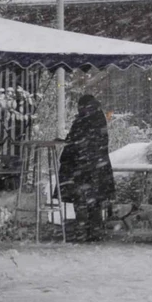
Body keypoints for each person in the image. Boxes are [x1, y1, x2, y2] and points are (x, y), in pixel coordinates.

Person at [58, 94, 115, 242]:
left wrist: (71, 146)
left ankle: (85, 231)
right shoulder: (96, 118)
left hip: (85, 167)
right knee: (92, 200)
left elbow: (79, 139)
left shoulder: (86, 119)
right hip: (93, 167)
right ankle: (92, 231)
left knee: (83, 200)